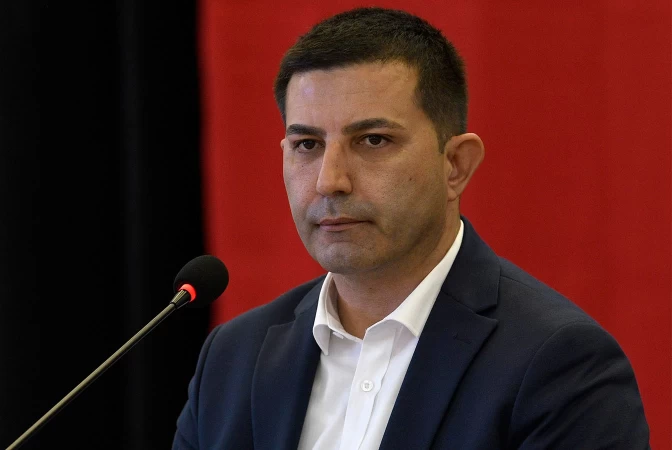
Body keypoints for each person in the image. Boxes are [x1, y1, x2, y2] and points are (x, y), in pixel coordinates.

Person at [173, 6, 650, 449]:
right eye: (307, 145)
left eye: (373, 140)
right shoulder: (233, 358)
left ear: (455, 165)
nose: (329, 180)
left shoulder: (557, 362)